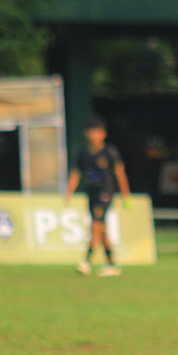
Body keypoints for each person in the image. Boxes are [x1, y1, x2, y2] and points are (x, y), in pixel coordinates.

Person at [65, 115, 131, 277]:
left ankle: (86, 261)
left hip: (106, 192)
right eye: (91, 132)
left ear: (103, 134)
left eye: (97, 131)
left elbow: (120, 173)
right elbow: (76, 173)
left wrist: (126, 195)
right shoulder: (83, 154)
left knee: (96, 223)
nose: (94, 135)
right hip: (92, 193)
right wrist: (69, 192)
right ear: (86, 134)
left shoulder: (109, 152)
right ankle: (112, 264)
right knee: (101, 229)